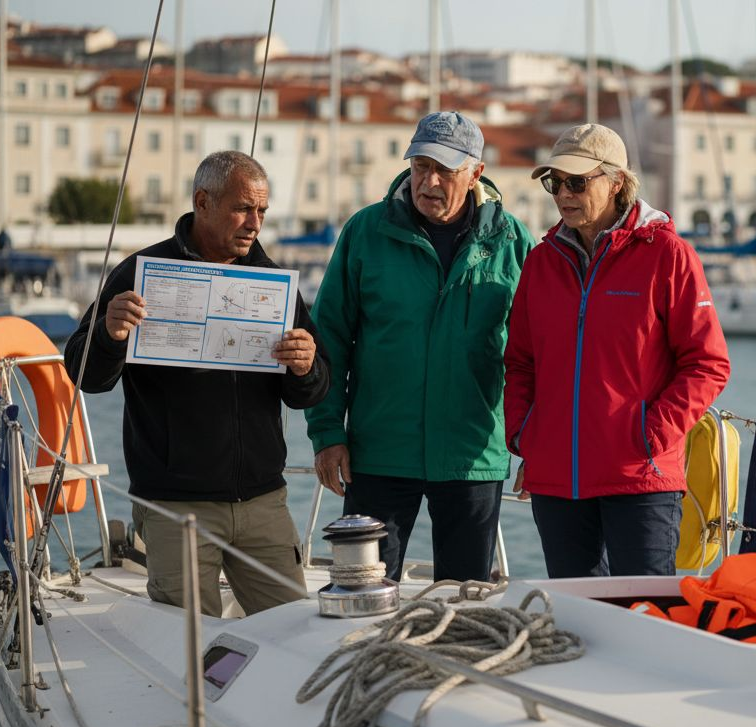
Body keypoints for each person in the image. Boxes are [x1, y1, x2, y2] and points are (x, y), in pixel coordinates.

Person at [64, 150, 329, 617]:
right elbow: (86, 377)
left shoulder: (273, 284)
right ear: (202, 202)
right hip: (176, 507)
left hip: (264, 501)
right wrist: (109, 333)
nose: (255, 223)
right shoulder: (139, 274)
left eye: (262, 211)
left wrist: (306, 366)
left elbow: (307, 392)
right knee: (185, 647)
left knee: (293, 628)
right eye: (243, 208)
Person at [306, 112, 532, 582]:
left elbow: (537, 353)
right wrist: (327, 433)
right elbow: (329, 338)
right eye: (420, 165)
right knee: (363, 593)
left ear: (476, 173)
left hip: (473, 455)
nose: (429, 181)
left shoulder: (513, 242)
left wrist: (535, 444)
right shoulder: (365, 232)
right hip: (379, 451)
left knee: (464, 603)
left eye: (445, 170)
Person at [504, 123, 730, 578]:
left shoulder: (668, 255)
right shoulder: (541, 261)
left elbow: (708, 364)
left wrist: (652, 435)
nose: (563, 193)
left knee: (643, 614)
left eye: (576, 181)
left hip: (640, 478)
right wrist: (527, 437)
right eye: (555, 182)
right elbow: (521, 361)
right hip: (558, 481)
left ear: (617, 183)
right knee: (577, 621)